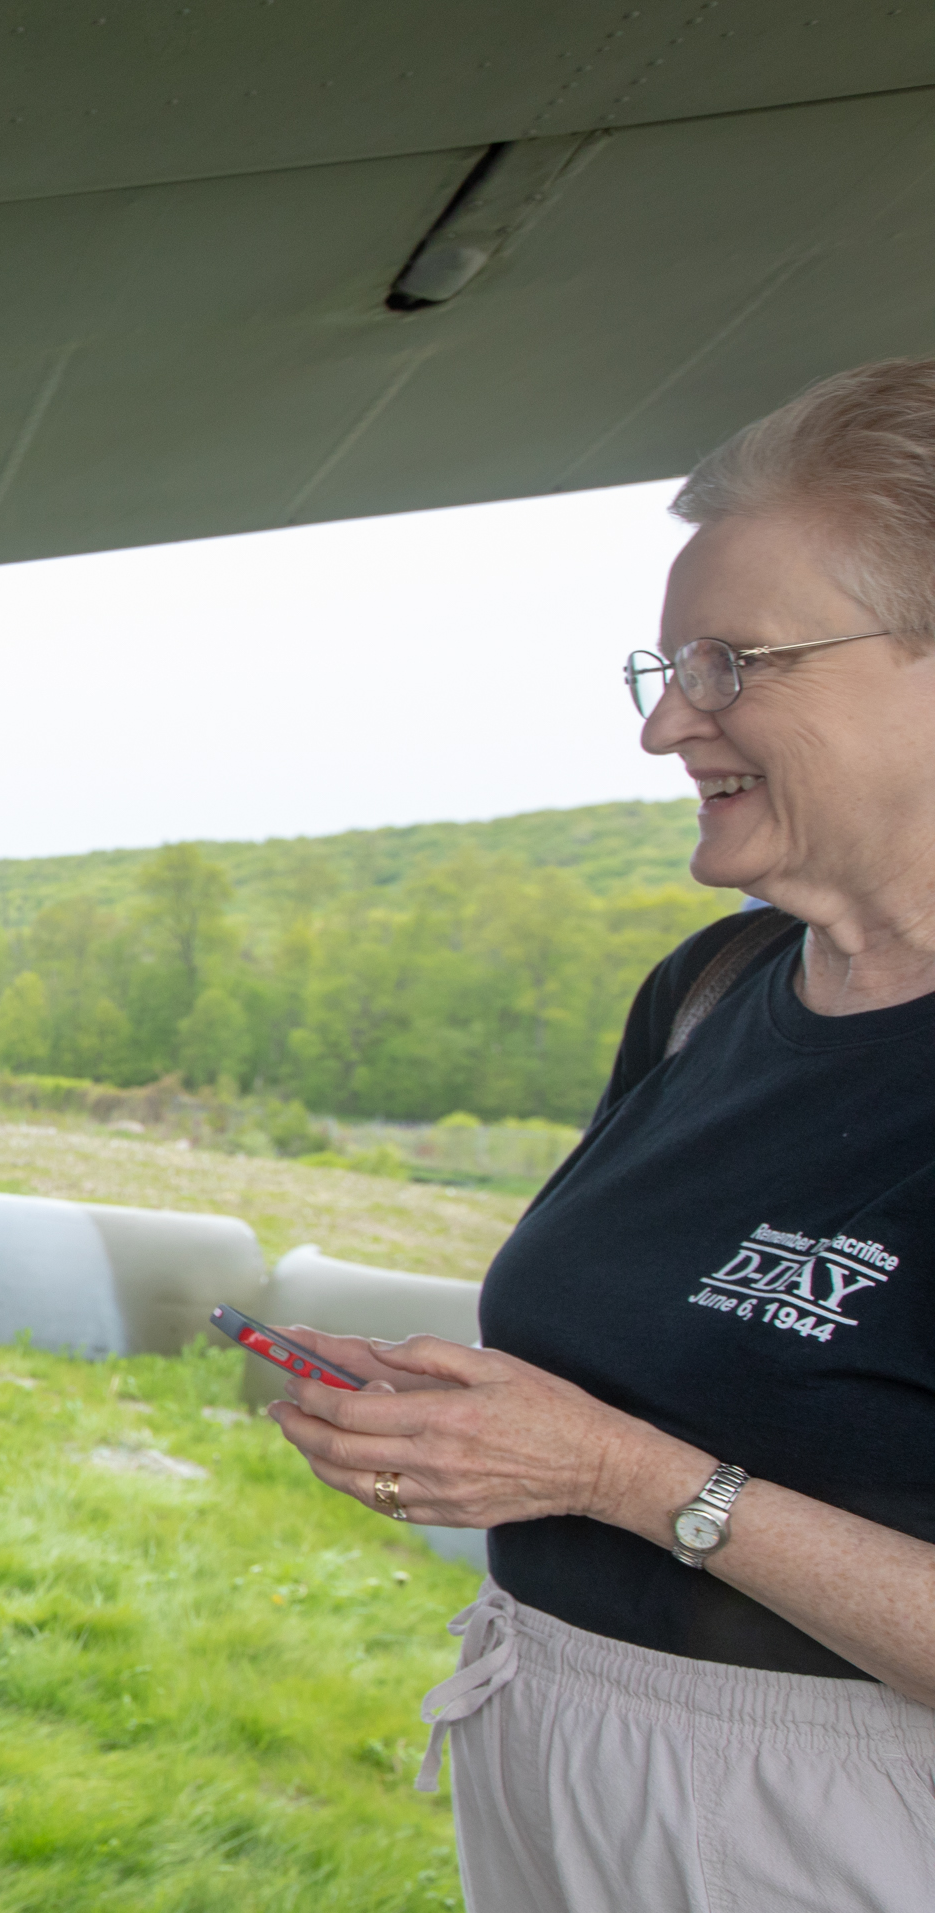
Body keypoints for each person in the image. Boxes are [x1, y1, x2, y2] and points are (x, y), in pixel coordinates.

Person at [271, 358, 935, 1912]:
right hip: (559, 1776)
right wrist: (462, 1420)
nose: (668, 731)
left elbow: (644, 1459)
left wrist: (626, 1475)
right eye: (664, 669)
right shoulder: (713, 988)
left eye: (732, 664)